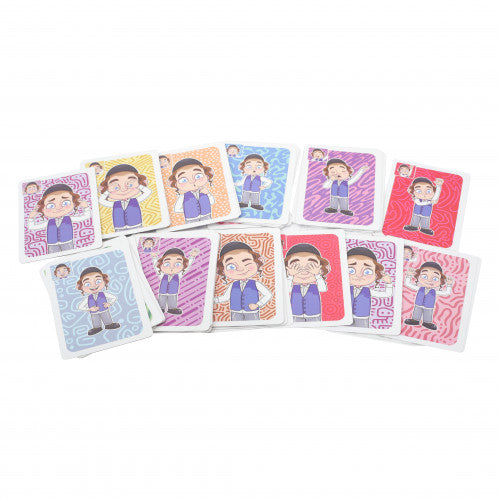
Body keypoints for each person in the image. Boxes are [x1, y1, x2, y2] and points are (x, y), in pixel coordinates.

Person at [214, 241, 273, 321]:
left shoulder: (256, 284)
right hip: (235, 312)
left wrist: (258, 304)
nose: (241, 269)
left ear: (257, 262)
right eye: (231, 266)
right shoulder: (233, 285)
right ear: (222, 269)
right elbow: (225, 297)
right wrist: (212, 300)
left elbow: (268, 294)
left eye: (247, 262)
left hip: (252, 312)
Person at [27, 183, 91, 253]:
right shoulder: (49, 222)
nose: (58, 208)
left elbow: (86, 217)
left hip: (67, 243)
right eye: (51, 205)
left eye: (65, 203)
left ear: (74, 202)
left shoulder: (69, 219)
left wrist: (86, 208)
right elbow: (32, 227)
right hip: (52, 245)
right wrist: (31, 218)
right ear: (43, 208)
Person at [347, 246, 394, 328]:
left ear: (376, 273)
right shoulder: (344, 289)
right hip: (345, 316)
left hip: (362, 318)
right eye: (351, 270)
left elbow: (387, 294)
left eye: (367, 271)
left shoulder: (368, 291)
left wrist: (388, 283)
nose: (359, 275)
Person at [98, 164, 152, 232]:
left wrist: (139, 186)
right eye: (116, 187)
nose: (124, 189)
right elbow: (101, 200)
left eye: (130, 184)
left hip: (136, 226)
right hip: (119, 229)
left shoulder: (135, 201)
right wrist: (106, 192)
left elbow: (148, 192)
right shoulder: (115, 204)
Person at [284, 243, 330, 322]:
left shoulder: (316, 285)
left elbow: (323, 289)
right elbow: (286, 290)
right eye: (296, 266)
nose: (304, 271)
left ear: (321, 268)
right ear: (286, 268)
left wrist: (317, 275)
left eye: (310, 265)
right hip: (295, 314)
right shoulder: (293, 286)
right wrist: (291, 276)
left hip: (314, 314)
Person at [403, 261, 453, 331]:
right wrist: (408, 276)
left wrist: (449, 285)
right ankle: (415, 320)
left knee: (428, 314)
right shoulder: (420, 288)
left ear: (440, 281)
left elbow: (446, 293)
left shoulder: (434, 291)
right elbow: (408, 284)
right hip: (418, 304)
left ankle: (427, 322)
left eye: (435, 278)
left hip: (429, 306)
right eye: (424, 276)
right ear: (418, 276)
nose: (429, 280)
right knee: (417, 312)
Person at [151, 247, 199, 314]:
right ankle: (161, 308)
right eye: (167, 264)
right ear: (161, 264)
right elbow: (156, 266)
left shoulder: (179, 274)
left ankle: (172, 309)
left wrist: (192, 257)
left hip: (173, 292)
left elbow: (188, 266)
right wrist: (154, 257)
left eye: (177, 264)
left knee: (172, 300)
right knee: (161, 300)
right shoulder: (161, 274)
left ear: (183, 265)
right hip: (162, 292)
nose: (172, 267)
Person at [76, 267, 121, 335]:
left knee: (107, 318)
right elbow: (80, 307)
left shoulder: (104, 294)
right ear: (81, 286)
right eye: (87, 284)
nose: (93, 285)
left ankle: (109, 324)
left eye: (98, 281)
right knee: (95, 320)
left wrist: (109, 303)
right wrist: (90, 309)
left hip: (104, 310)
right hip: (94, 313)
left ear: (104, 281)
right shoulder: (88, 298)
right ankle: (97, 328)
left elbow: (114, 297)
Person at [169, 158, 215, 223]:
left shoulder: (204, 191)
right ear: (175, 184)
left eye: (198, 176)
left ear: (207, 176)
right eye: (183, 180)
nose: (192, 181)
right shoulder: (183, 196)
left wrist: (208, 194)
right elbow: (177, 209)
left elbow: (212, 202)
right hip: (191, 220)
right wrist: (189, 209)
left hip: (207, 217)